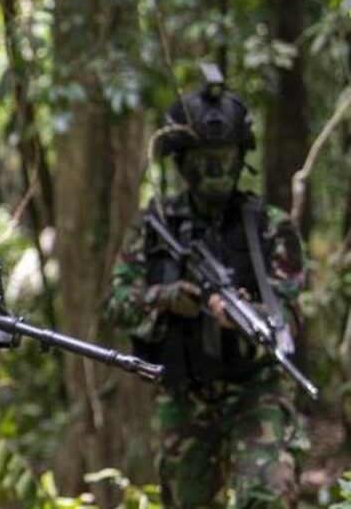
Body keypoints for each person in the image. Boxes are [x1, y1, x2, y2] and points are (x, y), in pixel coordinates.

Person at [104, 67, 306, 509]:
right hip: (185, 392)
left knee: (267, 495)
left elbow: (290, 314)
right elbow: (116, 305)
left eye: (225, 155)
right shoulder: (154, 227)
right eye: (204, 157)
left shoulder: (271, 228)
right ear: (183, 161)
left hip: (256, 388)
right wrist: (168, 298)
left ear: (240, 157)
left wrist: (250, 316)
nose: (216, 167)